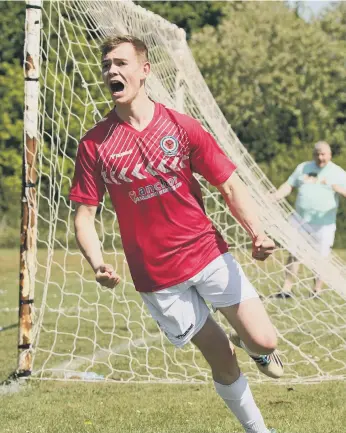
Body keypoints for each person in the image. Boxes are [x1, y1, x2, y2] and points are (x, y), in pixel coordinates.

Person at [69, 35, 282, 433]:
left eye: (121, 63)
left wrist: (257, 232)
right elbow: (84, 216)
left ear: (144, 70)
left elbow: (230, 184)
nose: (112, 71)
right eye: (107, 65)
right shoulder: (94, 144)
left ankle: (256, 349)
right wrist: (98, 263)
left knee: (265, 341)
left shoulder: (182, 127)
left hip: (207, 254)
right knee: (221, 357)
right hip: (158, 278)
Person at [272, 141, 346, 298]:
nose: (320, 157)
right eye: (317, 154)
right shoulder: (303, 168)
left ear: (330, 155)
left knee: (321, 257)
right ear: (313, 154)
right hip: (300, 220)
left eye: (323, 154)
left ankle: (316, 291)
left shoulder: (338, 172)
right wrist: (274, 197)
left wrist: (337, 188)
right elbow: (289, 185)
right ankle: (287, 289)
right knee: (294, 253)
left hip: (324, 224)